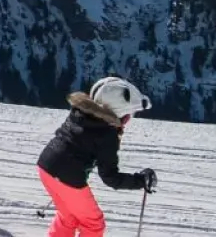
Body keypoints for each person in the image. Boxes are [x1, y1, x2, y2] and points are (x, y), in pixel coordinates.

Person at [35, 76, 158, 236]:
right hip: (68, 178)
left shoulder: (81, 112)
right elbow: (110, 177)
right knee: (93, 224)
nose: (127, 120)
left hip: (46, 166)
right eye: (128, 116)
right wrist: (140, 181)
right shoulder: (107, 134)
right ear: (118, 113)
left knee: (68, 216)